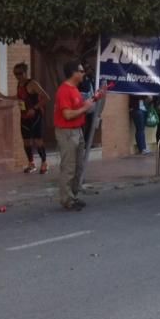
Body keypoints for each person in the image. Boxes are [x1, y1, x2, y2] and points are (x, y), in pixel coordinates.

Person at [53, 60, 106, 210]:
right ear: (74, 73)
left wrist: (94, 99)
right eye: (81, 71)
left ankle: (73, 196)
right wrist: (85, 108)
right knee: (69, 167)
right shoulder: (64, 90)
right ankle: (67, 199)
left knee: (78, 167)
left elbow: (81, 107)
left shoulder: (75, 89)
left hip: (77, 130)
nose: (84, 73)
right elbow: (67, 114)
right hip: (67, 132)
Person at [0, 62, 51, 173]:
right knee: (26, 141)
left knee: (38, 141)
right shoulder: (19, 84)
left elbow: (46, 98)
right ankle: (31, 163)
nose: (18, 76)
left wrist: (34, 108)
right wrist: (4, 97)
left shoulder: (32, 84)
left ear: (25, 73)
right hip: (24, 117)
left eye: (20, 73)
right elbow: (19, 97)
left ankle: (44, 163)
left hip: (35, 117)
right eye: (15, 74)